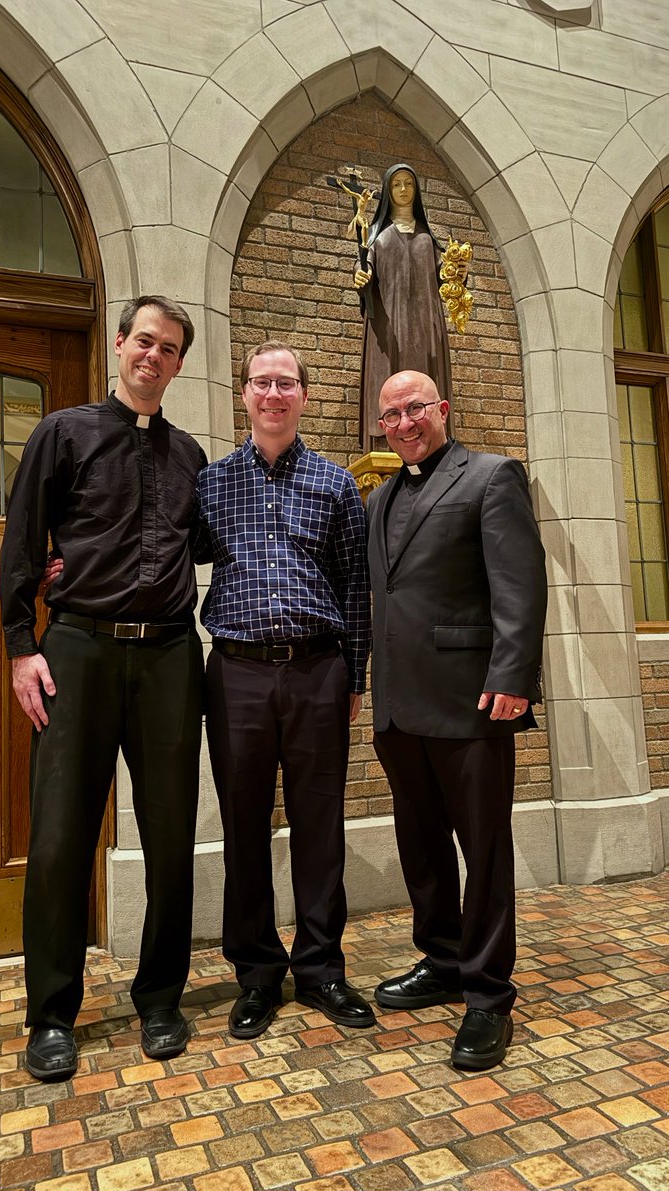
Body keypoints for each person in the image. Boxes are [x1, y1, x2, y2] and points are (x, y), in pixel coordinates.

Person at [0, 296, 206, 1080]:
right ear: (119, 345)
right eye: (143, 341)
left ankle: (160, 998)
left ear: (180, 364)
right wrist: (23, 648)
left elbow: (209, 543)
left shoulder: (190, 456)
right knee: (58, 839)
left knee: (169, 837)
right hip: (78, 650)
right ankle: (50, 1014)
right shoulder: (64, 433)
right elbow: (22, 541)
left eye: (169, 348)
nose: (153, 356)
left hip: (167, 659)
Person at [367, 370, 546, 1070]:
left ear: (441, 408)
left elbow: (518, 582)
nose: (405, 422)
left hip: (471, 701)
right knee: (422, 848)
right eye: (391, 415)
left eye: (415, 408)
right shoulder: (379, 498)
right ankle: (441, 960)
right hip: (399, 706)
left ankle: (486, 992)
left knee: (484, 850)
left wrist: (511, 677)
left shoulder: (493, 476)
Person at [197, 340, 374, 1039]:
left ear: (304, 394)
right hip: (236, 672)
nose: (273, 394)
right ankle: (256, 975)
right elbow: (159, 552)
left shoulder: (335, 485)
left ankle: (322, 970)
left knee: (319, 828)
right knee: (243, 827)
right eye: (261, 383)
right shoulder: (209, 485)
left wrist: (353, 675)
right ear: (243, 393)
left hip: (316, 670)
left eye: (286, 383)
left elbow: (356, 587)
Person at [354, 163, 462, 445]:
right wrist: (360, 274)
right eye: (397, 184)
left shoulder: (428, 240)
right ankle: (387, 434)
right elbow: (364, 268)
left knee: (426, 379)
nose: (403, 190)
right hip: (389, 325)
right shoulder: (379, 238)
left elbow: (447, 279)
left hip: (425, 324)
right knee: (390, 371)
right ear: (389, 191)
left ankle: (432, 433)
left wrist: (458, 273)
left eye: (409, 184)